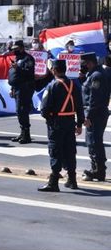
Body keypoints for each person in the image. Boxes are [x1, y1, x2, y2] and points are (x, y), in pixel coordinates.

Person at [38, 59, 84, 192]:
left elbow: (44, 109)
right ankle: (72, 180)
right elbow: (79, 106)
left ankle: (53, 182)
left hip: (56, 123)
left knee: (55, 151)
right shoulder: (74, 85)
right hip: (70, 121)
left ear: (55, 70)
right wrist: (79, 123)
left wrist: (49, 118)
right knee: (70, 150)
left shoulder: (52, 86)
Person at [80, 52, 111, 181]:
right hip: (97, 112)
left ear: (90, 62)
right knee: (94, 141)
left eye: (85, 63)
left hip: (96, 114)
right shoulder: (94, 74)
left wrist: (88, 116)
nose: (84, 66)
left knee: (93, 142)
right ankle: (98, 168)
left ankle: (98, 170)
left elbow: (94, 99)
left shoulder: (96, 75)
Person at [8, 40, 36, 144]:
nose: (14, 51)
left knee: (22, 110)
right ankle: (22, 133)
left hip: (25, 88)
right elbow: (14, 75)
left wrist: (18, 68)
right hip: (17, 87)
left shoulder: (27, 59)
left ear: (22, 48)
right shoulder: (17, 58)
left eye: (16, 49)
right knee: (19, 111)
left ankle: (26, 135)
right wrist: (12, 88)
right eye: (13, 49)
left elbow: (28, 73)